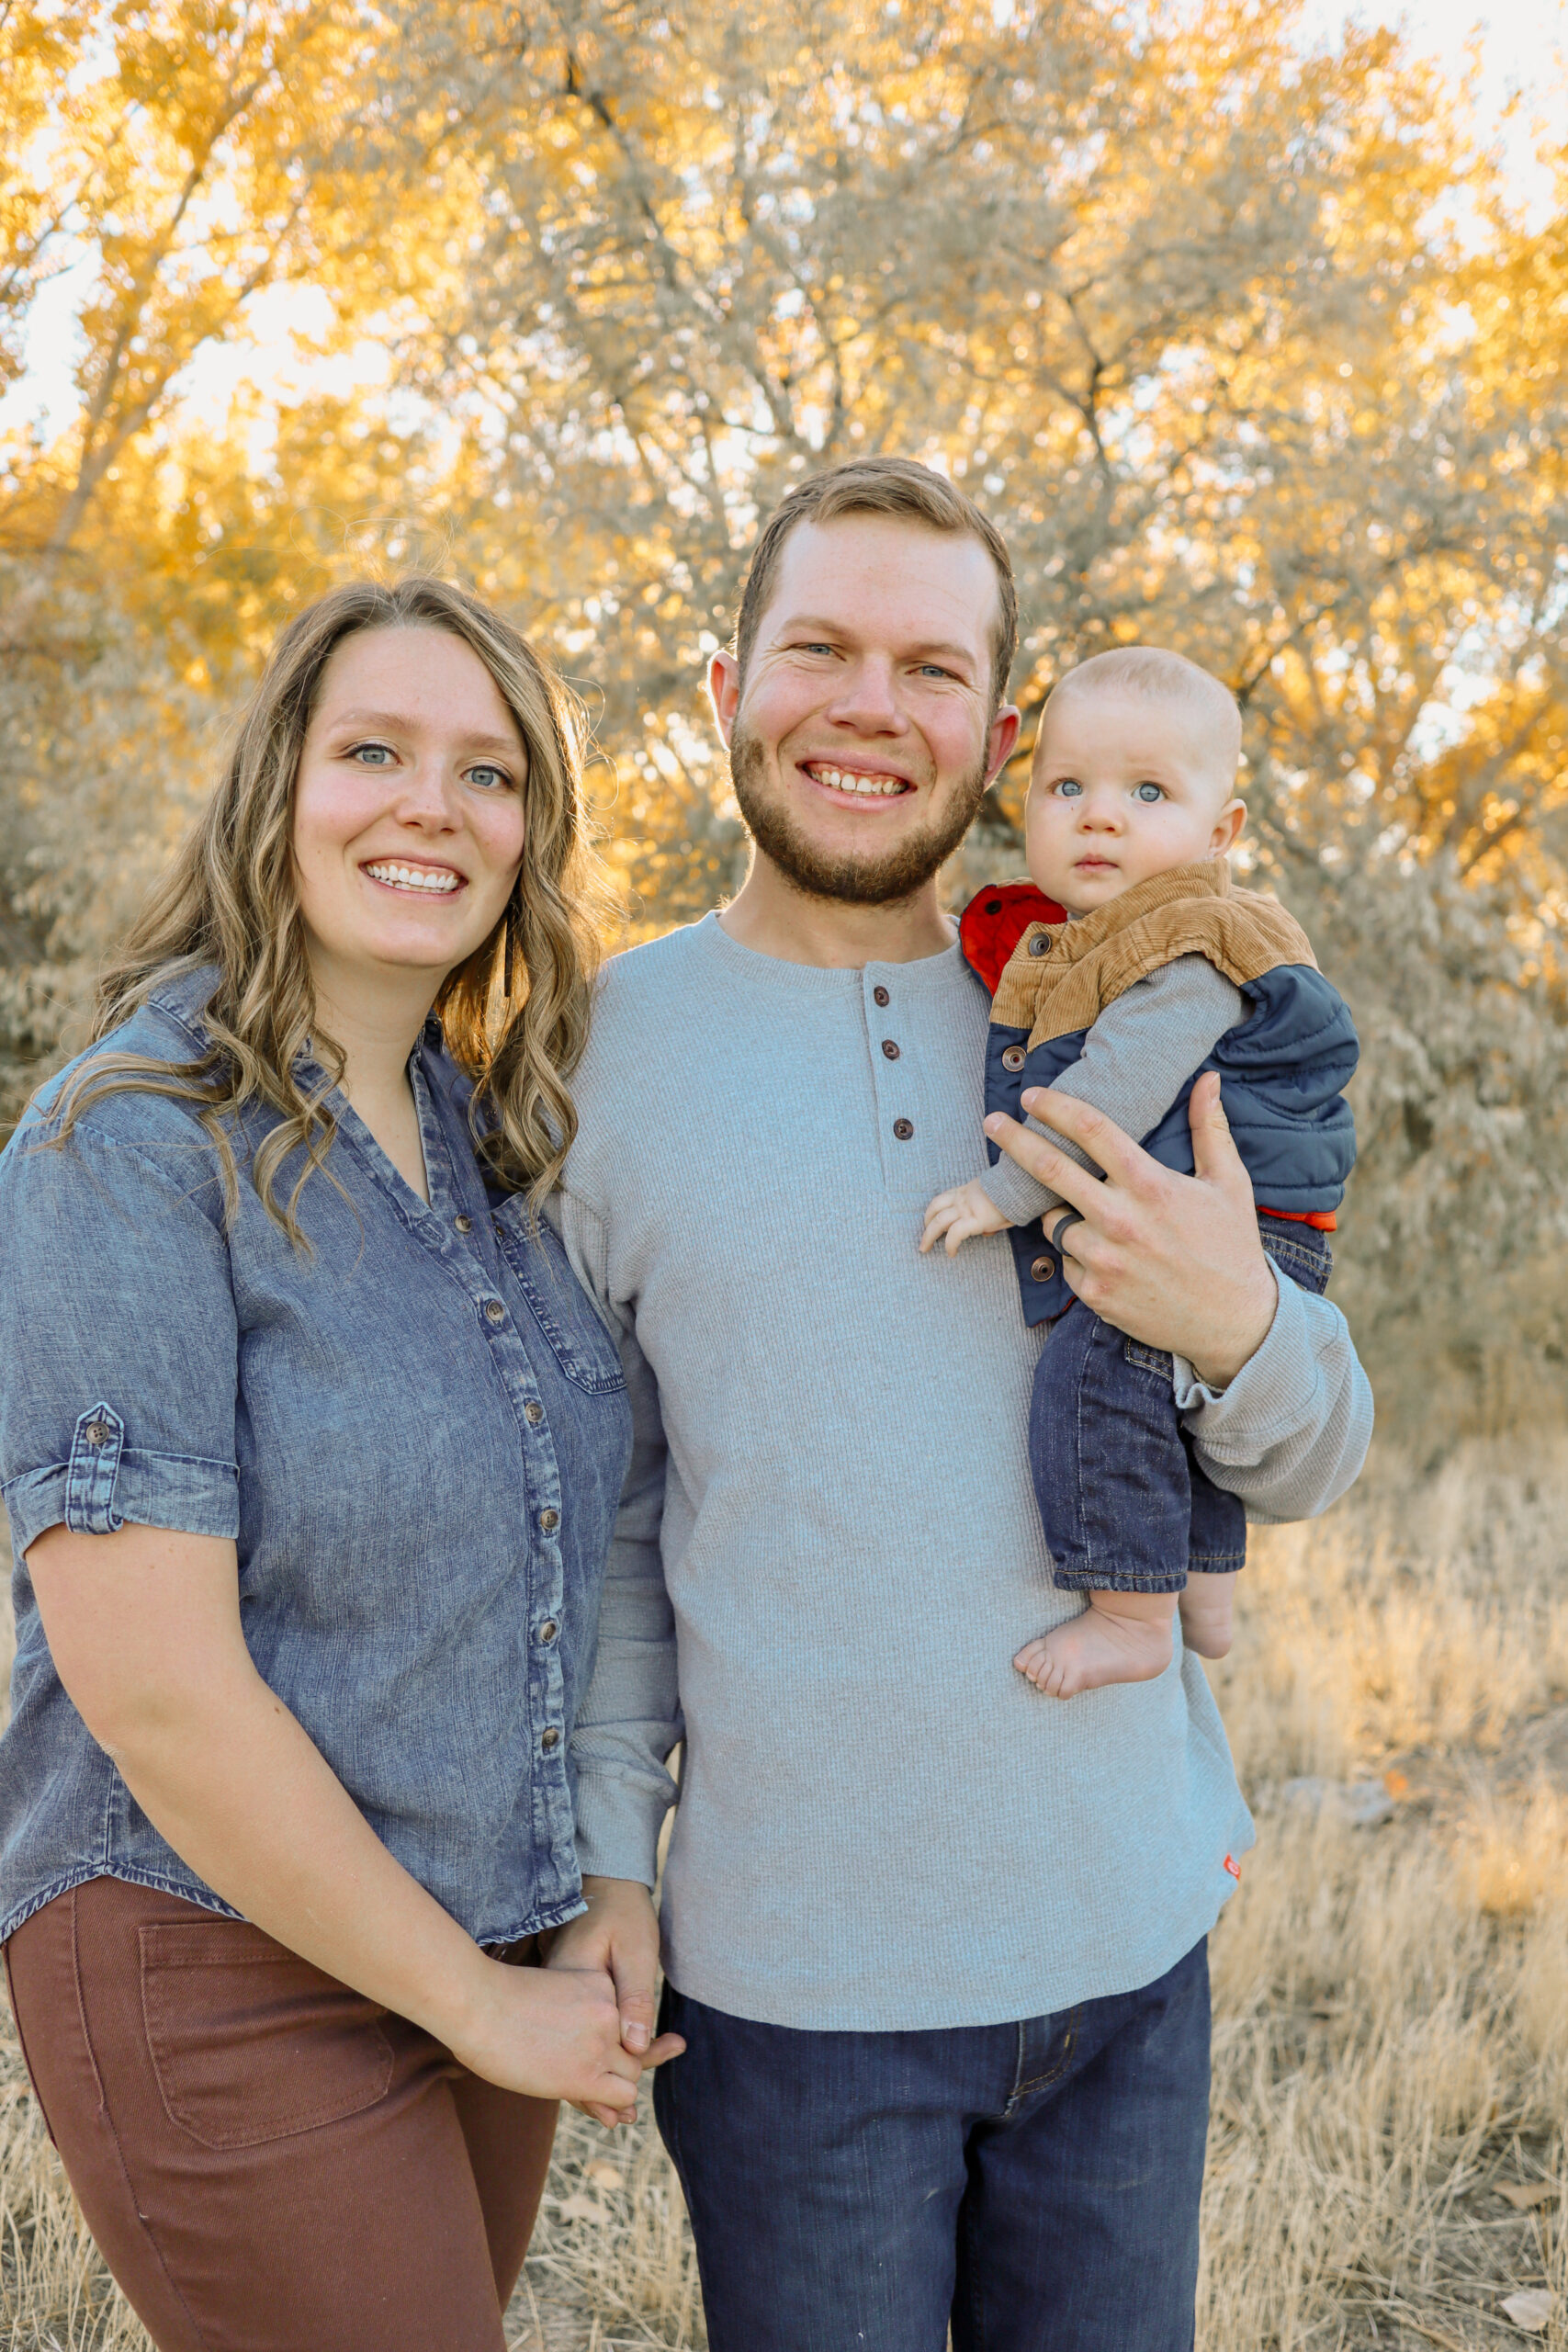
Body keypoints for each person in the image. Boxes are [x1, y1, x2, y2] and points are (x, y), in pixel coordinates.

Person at [545, 458, 1372, 2352]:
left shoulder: (1132, 1006)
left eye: (929, 668)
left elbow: (1314, 1447)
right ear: (726, 686)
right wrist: (604, 1861)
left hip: (1128, 1953)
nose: (868, 706)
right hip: (796, 1999)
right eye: (817, 649)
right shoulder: (596, 1056)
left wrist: (1231, 1316)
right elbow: (608, 1525)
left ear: (998, 741)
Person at [0, 576, 678, 2352]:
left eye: (486, 771)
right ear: (277, 788)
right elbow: (156, 1693)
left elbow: (588, 1536)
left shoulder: (498, 1139)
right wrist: (474, 2003)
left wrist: (593, 1894)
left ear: (530, 831)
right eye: (374, 752)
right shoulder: (128, 1145)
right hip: (210, 1947)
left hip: (482, 1932)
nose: (429, 808)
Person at [919, 645, 1358, 1697]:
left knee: (1096, 1371)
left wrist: (1001, 1192)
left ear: (1222, 833)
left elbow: (1113, 1090)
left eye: (1148, 793)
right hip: (1254, 1217)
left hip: (1236, 1229)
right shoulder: (1112, 938)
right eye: (1068, 787)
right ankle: (1206, 1579)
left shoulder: (1188, 940)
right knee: (1156, 1385)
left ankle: (1129, 1612)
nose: (1100, 818)